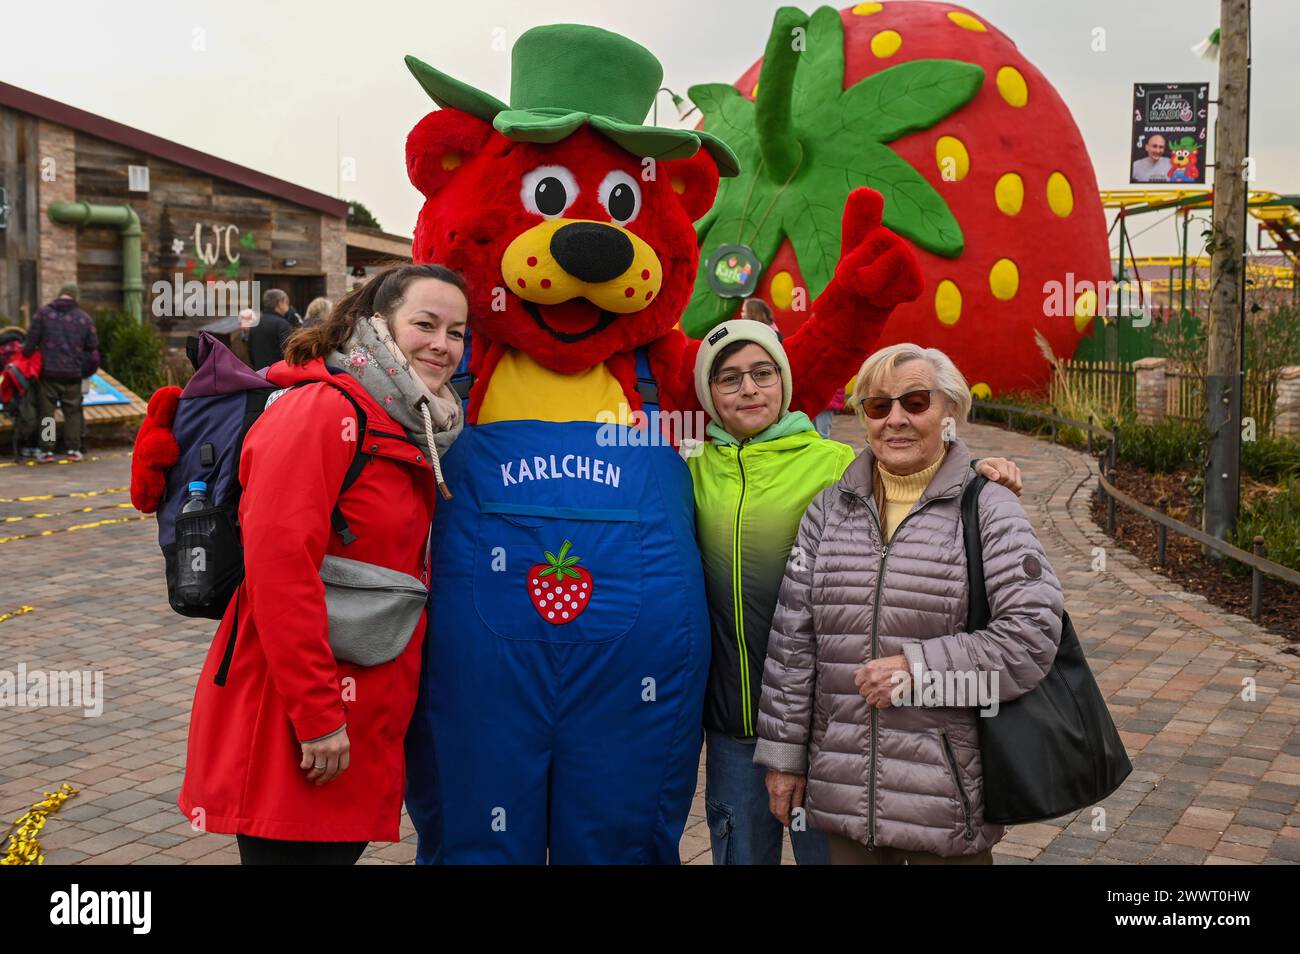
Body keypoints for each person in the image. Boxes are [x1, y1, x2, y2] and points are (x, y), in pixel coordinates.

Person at [689, 324, 1024, 865]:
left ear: (784, 382)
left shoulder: (833, 468)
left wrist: (982, 471)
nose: (749, 389)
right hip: (737, 717)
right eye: (729, 379)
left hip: (844, 730)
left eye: (762, 373)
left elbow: (915, 457)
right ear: (708, 394)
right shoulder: (691, 469)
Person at [176, 263, 467, 865]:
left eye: (457, 331)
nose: (442, 344)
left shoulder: (406, 419)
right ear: (378, 326)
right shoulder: (322, 411)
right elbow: (280, 571)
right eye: (425, 324)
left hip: (357, 703)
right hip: (300, 710)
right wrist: (316, 716)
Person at [756, 342, 1063, 865]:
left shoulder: (988, 505)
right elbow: (792, 645)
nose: (895, 419)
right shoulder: (829, 510)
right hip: (845, 789)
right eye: (878, 406)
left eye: (915, 402)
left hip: (946, 800)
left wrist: (917, 671)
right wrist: (785, 758)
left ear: (950, 413)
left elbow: (1031, 633)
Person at [22, 283, 98, 461]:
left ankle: (47, 450)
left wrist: (29, 356)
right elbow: (92, 348)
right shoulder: (84, 319)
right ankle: (73, 449)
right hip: (73, 374)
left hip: (48, 374)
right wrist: (84, 369)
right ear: (75, 297)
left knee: (47, 413)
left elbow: (29, 343)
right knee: (72, 412)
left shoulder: (43, 314)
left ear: (60, 295)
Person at [247, 288, 294, 369]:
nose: (288, 306)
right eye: (286, 302)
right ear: (280, 303)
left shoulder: (255, 323)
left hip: (260, 373)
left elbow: (250, 351)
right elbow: (288, 352)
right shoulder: (283, 324)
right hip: (278, 374)